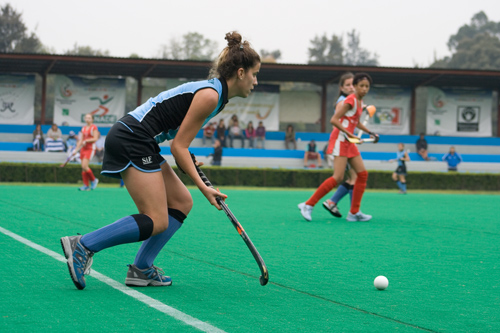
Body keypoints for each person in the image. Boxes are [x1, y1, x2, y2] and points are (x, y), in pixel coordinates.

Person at [60, 31, 261, 290]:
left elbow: (181, 143)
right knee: (156, 219)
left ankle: (142, 269)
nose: (255, 81)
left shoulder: (218, 97)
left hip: (142, 140)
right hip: (132, 137)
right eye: (255, 74)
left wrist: (190, 161)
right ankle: (84, 245)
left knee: (181, 202)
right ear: (241, 72)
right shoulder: (211, 95)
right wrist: (203, 187)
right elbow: (178, 148)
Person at [298, 73, 379, 222]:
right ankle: (308, 205)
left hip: (349, 140)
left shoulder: (360, 102)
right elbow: (334, 120)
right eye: (361, 86)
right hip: (340, 139)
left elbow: (355, 122)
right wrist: (352, 135)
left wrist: (370, 133)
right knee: (338, 177)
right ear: (355, 87)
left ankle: (354, 213)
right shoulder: (350, 100)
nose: (364, 89)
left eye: (367, 86)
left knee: (362, 174)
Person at [321, 73, 356, 218]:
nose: (351, 87)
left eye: (353, 84)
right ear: (341, 87)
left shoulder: (351, 100)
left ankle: (333, 202)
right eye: (347, 85)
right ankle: (353, 212)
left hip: (347, 142)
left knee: (352, 177)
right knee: (349, 177)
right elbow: (338, 122)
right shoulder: (343, 102)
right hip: (342, 143)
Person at [75, 113, 100, 191]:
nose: (87, 119)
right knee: (83, 168)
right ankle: (86, 185)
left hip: (90, 148)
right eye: (86, 118)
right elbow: (81, 140)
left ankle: (93, 180)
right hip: (83, 149)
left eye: (89, 118)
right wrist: (75, 150)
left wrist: (87, 140)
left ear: (92, 119)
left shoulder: (94, 127)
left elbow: (95, 138)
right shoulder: (83, 128)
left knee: (84, 166)